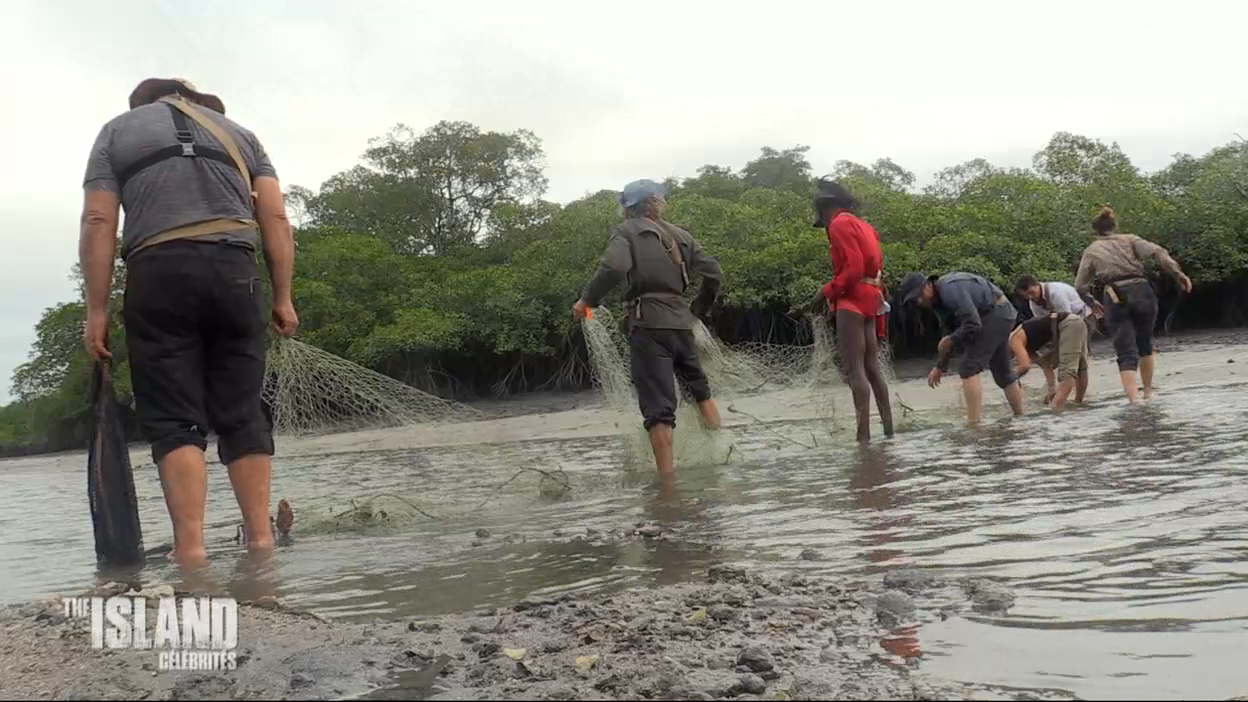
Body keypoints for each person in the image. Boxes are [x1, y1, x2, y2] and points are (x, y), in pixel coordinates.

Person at [79, 78, 298, 569]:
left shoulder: (117, 132)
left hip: (158, 274)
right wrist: (283, 296)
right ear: (193, 100)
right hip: (236, 273)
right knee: (243, 412)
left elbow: (98, 220)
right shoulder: (241, 134)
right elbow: (277, 218)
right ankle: (261, 544)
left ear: (143, 102)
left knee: (175, 417)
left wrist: (96, 310)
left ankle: (192, 553)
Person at [572, 179, 723, 479]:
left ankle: (666, 488)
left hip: (649, 325)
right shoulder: (681, 235)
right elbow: (715, 273)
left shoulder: (625, 231)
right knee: (700, 392)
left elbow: (614, 268)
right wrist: (697, 311)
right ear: (657, 203)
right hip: (682, 325)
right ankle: (722, 456)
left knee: (658, 409)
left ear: (628, 207)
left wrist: (586, 301)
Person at [800, 178, 894, 443]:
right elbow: (874, 267)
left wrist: (825, 292)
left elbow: (852, 269)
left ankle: (863, 438)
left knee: (855, 369)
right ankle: (888, 431)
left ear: (824, 208)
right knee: (872, 366)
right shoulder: (864, 225)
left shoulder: (839, 224)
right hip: (872, 297)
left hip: (852, 299)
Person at [1074, 206, 1192, 402]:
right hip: (1142, 290)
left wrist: (1091, 302)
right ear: (1115, 226)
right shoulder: (1130, 239)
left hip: (1115, 295)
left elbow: (1080, 285)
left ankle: (1134, 401)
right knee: (1145, 343)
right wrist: (1178, 274)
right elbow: (1158, 252)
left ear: (1094, 231)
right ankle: (1147, 392)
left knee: (1125, 350)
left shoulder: (1092, 250)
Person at [897, 271, 1025, 425]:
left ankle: (974, 424)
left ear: (927, 285)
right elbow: (950, 332)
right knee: (1003, 372)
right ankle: (1020, 418)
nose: (918, 301)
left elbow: (972, 324)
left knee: (968, 367)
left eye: (918, 296)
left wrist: (951, 339)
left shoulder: (950, 290)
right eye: (913, 300)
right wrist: (940, 366)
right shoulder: (937, 303)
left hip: (996, 313)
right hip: (1001, 314)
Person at [1013, 275, 1098, 404]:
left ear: (1037, 285)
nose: (1031, 297)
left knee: (1078, 357)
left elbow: (1066, 315)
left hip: (1081, 317)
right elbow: (1044, 325)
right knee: (1072, 361)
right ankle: (1069, 393)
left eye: (1032, 293)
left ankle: (1074, 395)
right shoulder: (1033, 304)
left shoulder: (1055, 292)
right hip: (1061, 325)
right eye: (1027, 296)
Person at [1007, 310, 1089, 410]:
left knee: (1067, 372)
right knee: (1081, 368)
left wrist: (1009, 379)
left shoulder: (1013, 340)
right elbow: (1046, 365)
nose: (1013, 356)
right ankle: (1078, 403)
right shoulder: (1026, 343)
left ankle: (1056, 408)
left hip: (1067, 324)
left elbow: (1025, 366)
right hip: (1077, 321)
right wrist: (1051, 389)